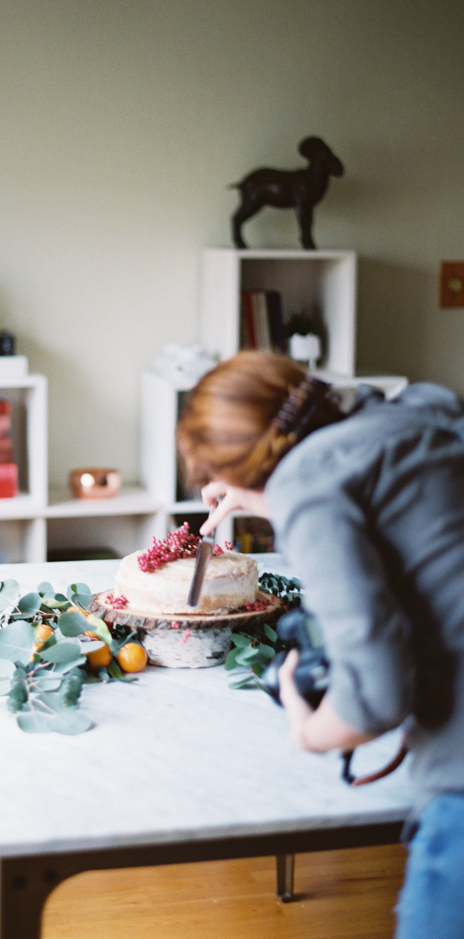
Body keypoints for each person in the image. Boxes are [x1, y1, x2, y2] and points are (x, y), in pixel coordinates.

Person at [176, 349, 464, 939]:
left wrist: (312, 732)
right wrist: (265, 488)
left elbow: (378, 695)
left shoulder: (310, 488)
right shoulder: (423, 412)